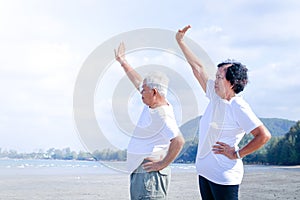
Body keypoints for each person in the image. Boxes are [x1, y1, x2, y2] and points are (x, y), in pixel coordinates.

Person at [176, 25, 271, 200]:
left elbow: (263, 135)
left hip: (223, 177)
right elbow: (198, 68)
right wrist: (180, 42)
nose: (215, 80)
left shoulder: (238, 106)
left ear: (232, 83)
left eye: (220, 77)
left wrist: (237, 154)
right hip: (205, 175)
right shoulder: (214, 96)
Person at [114, 42, 185, 200]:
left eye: (144, 90)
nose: (140, 92)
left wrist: (162, 164)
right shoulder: (152, 104)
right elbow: (137, 81)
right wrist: (122, 61)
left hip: (150, 177)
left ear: (154, 92)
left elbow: (178, 141)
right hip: (142, 173)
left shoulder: (162, 114)